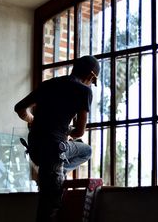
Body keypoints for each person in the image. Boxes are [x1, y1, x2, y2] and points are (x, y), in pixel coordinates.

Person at [14, 55, 100, 222]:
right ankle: (59, 172)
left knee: (45, 206)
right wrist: (67, 131)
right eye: (92, 80)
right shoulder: (84, 91)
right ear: (91, 75)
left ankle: (57, 172)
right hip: (54, 151)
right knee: (86, 150)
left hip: (35, 149)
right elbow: (80, 131)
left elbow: (19, 108)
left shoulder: (49, 84)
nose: (91, 83)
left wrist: (33, 120)